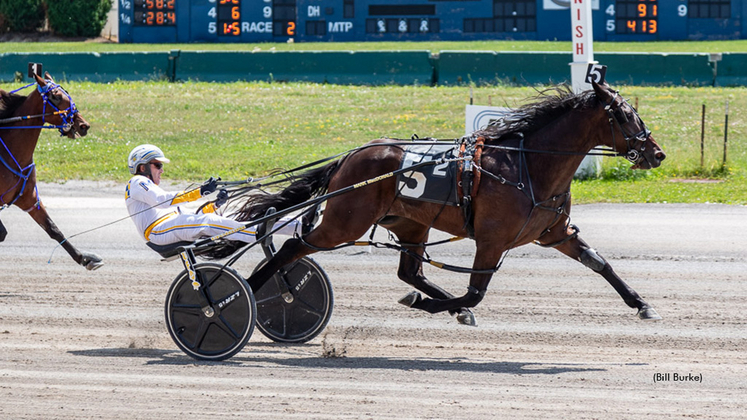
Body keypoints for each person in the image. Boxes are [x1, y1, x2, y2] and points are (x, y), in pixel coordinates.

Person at [125, 144, 300, 247]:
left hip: (173, 225)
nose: (162, 170)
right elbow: (161, 201)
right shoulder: (137, 182)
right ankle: (255, 234)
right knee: (207, 222)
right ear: (142, 167)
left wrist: (215, 204)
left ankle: (298, 225)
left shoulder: (150, 189)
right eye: (157, 165)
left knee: (241, 217)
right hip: (157, 232)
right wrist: (199, 192)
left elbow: (194, 215)